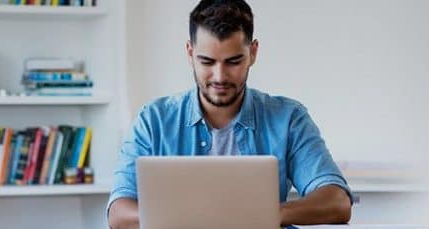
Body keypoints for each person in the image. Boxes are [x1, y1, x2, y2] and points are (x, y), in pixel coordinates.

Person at [107, 0, 352, 228]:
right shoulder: (153, 121)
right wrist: (190, 218)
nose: (220, 76)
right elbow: (118, 213)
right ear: (190, 53)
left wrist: (267, 214)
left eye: (233, 61)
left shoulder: (288, 118)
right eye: (207, 62)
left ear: (253, 52)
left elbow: (337, 202)